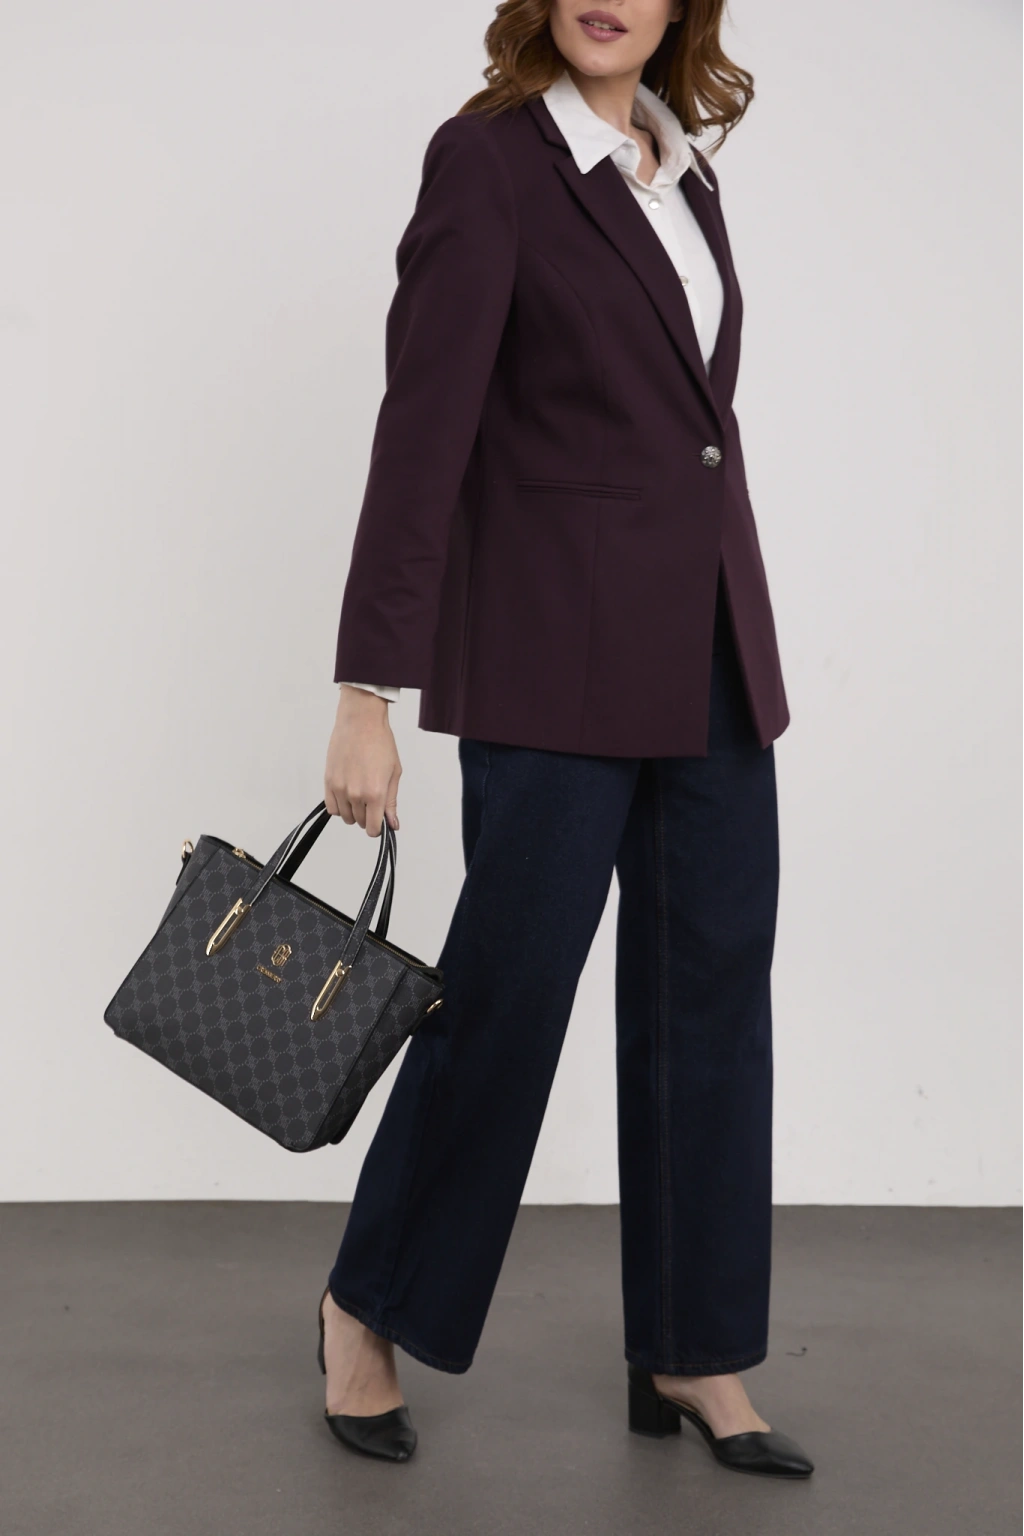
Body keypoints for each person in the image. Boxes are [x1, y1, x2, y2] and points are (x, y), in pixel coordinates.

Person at [318, 0, 813, 1479]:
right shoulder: (490, 163)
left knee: (712, 994)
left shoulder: (685, 172)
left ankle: (693, 1346)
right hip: (552, 653)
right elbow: (424, 427)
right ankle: (367, 1303)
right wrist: (367, 689)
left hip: (709, 648)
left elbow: (695, 427)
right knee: (508, 992)